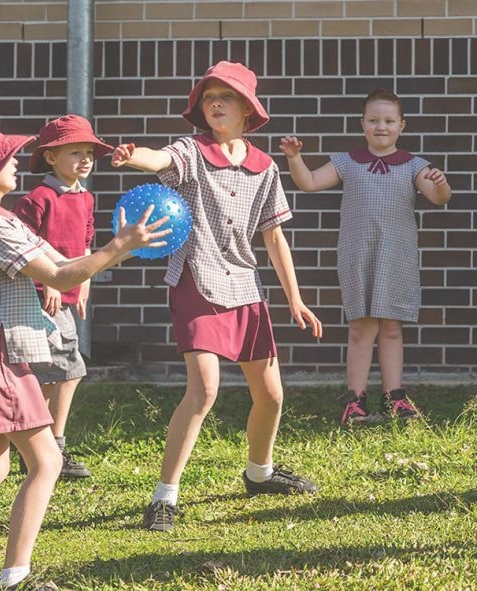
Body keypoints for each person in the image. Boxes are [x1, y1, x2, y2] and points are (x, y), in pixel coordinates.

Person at [0, 119, 168, 588]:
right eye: (4, 157)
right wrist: (119, 246)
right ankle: (16, 578)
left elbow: (63, 265)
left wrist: (114, 250)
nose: (13, 163)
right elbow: (61, 279)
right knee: (45, 462)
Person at [112, 61, 323, 533]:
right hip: (197, 279)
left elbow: (273, 238)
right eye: (208, 97)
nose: (215, 104)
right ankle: (163, 498)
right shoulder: (190, 151)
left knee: (271, 395)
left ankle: (260, 473)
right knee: (203, 389)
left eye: (225, 96)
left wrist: (295, 299)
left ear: (248, 109)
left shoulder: (264, 167)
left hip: (245, 286)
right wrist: (134, 156)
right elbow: (159, 159)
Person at [280, 89, 451, 425]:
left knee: (390, 327)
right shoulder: (347, 161)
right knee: (360, 327)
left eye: (389, 121)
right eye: (374, 120)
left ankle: (395, 396)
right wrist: (294, 157)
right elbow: (310, 182)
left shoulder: (414, 165)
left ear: (402, 126)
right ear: (362, 125)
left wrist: (441, 183)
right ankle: (354, 399)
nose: (381, 127)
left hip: (396, 256)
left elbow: (438, 197)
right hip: (357, 253)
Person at [12, 115, 114, 480]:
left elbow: (86, 240)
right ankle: (43, 446)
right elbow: (24, 246)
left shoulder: (84, 196)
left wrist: (84, 281)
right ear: (51, 157)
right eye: (75, 152)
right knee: (60, 370)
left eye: (89, 153)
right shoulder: (38, 199)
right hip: (43, 298)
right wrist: (50, 282)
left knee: (65, 372)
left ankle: (49, 444)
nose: (85, 159)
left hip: (69, 295)